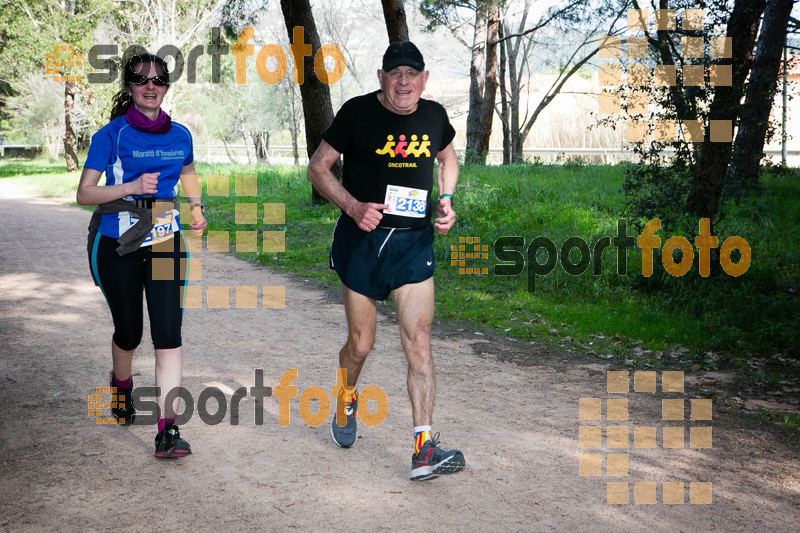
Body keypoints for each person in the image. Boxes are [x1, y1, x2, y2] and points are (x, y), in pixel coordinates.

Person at [307, 41, 464, 481]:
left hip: (413, 245)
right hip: (362, 242)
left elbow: (447, 158)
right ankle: (346, 396)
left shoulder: (434, 116)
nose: (404, 81)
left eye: (412, 73)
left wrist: (447, 198)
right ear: (381, 77)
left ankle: (423, 448)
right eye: (395, 73)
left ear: (424, 80)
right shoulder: (356, 113)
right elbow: (318, 167)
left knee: (419, 339)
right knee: (361, 344)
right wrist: (354, 207)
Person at [77, 53, 207, 459]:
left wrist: (196, 207)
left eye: (158, 80)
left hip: (166, 238)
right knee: (130, 332)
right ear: (129, 87)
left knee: (168, 335)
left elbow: (186, 170)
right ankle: (122, 386)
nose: (150, 87)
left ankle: (169, 429)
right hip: (118, 243)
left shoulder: (181, 134)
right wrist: (130, 185)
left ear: (166, 87)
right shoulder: (109, 136)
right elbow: (84, 194)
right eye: (141, 80)